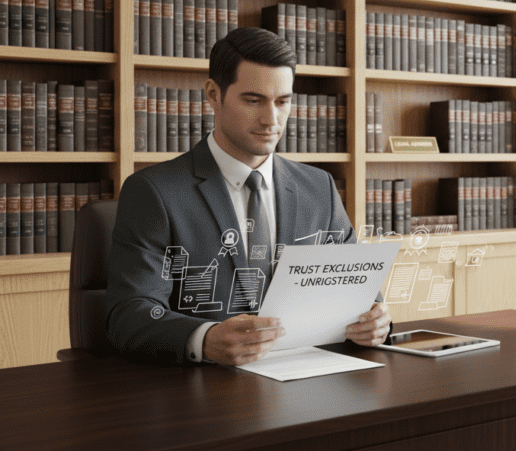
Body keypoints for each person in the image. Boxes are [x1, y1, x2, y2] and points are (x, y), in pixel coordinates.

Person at [106, 27, 391, 366]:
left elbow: (360, 296)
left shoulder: (320, 188)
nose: (271, 120)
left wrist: (376, 321)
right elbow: (129, 315)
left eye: (282, 102)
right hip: (202, 392)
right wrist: (205, 338)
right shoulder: (153, 191)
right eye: (253, 100)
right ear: (214, 94)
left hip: (307, 382)